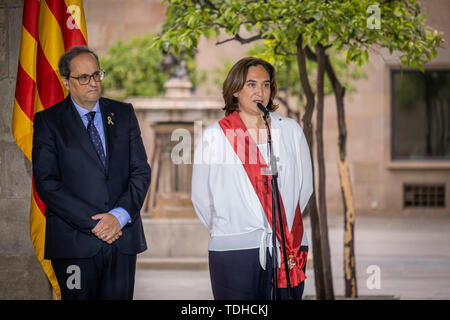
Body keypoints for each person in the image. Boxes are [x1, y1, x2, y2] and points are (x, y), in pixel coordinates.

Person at [32, 46, 150, 300]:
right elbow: (47, 182)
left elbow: (140, 171)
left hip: (122, 239)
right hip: (74, 243)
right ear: (66, 81)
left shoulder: (124, 113)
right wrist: (97, 223)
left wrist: (118, 216)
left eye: (97, 75)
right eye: (83, 77)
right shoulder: (48, 122)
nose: (93, 83)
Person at [191, 57, 313, 300]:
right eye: (252, 85)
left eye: (266, 85)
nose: (261, 92)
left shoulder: (290, 131)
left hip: (287, 245)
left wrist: (281, 225)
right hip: (234, 248)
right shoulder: (214, 136)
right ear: (235, 90)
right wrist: (231, 228)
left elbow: (304, 187)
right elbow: (201, 197)